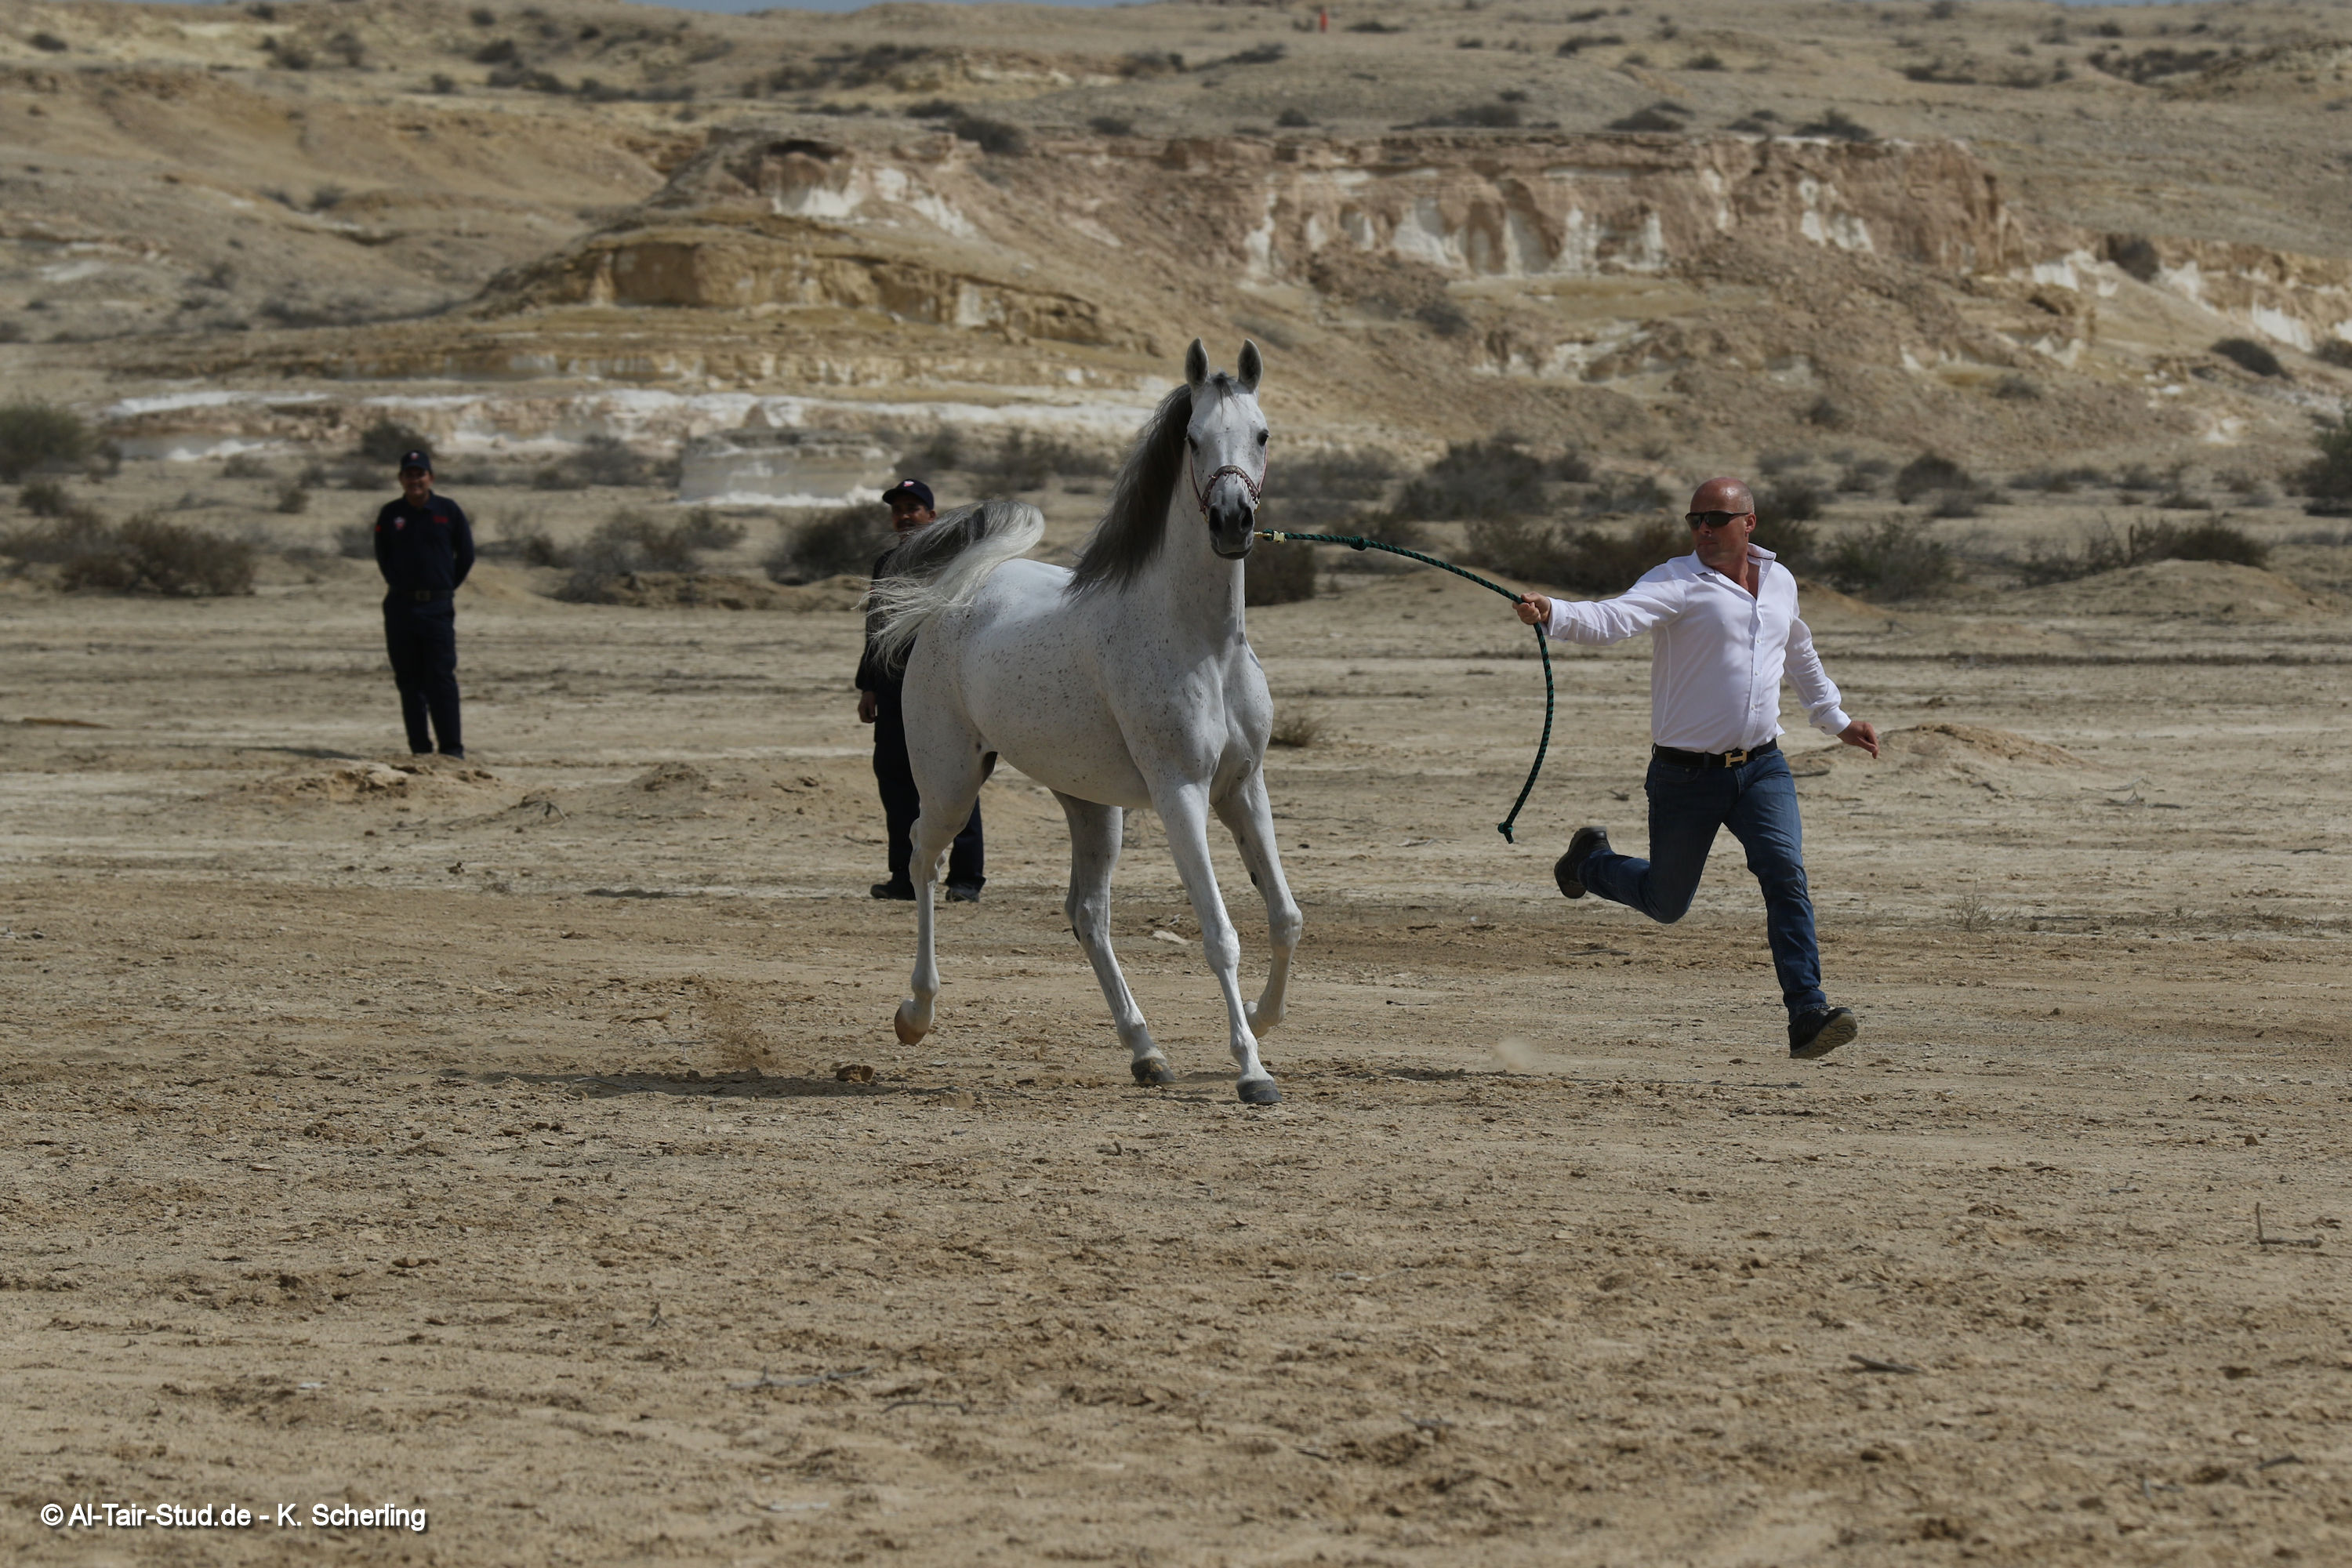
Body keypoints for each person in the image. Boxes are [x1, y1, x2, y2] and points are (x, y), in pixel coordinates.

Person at [1512, 477, 1879, 1059]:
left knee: (1785, 873)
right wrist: (1554, 611)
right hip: (1685, 777)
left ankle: (1807, 1012)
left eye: (1716, 519)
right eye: (1694, 520)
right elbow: (1612, 619)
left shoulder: (1779, 581)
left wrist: (1835, 719)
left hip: (1762, 767)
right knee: (1667, 902)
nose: (1703, 529)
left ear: (1749, 522)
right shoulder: (1676, 581)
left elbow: (1797, 650)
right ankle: (1589, 862)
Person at [857, 478, 984, 902]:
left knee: (956, 778)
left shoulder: (953, 561)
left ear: (932, 515)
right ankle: (905, 877)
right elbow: (876, 628)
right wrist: (868, 686)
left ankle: (966, 879)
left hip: (941, 689)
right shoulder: (887, 563)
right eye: (898, 510)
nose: (904, 516)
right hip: (893, 689)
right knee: (895, 779)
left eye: (913, 508)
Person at [372, 448, 473, 760]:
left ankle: (452, 751)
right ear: (401, 479)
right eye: (409, 474)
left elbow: (466, 554)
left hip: (437, 609)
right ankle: (420, 751)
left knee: (441, 678)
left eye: (420, 474)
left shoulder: (448, 510)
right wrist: (403, 586)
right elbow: (383, 556)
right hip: (400, 607)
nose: (415, 480)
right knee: (408, 680)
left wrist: (443, 587)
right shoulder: (391, 514)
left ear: (431, 477)